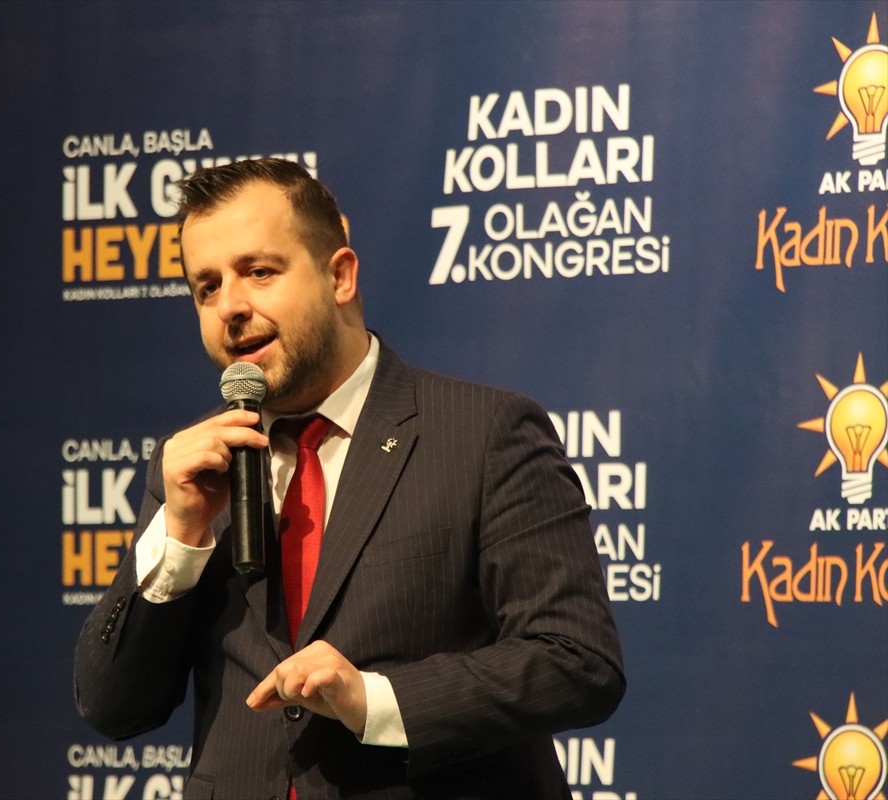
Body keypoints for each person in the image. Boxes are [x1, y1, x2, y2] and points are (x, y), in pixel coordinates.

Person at [74, 158, 624, 799]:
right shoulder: (193, 469)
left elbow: (576, 661)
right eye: (207, 287)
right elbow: (112, 706)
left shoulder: (482, 433)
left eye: (259, 272)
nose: (231, 307)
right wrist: (180, 535)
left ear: (339, 276)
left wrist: (374, 700)